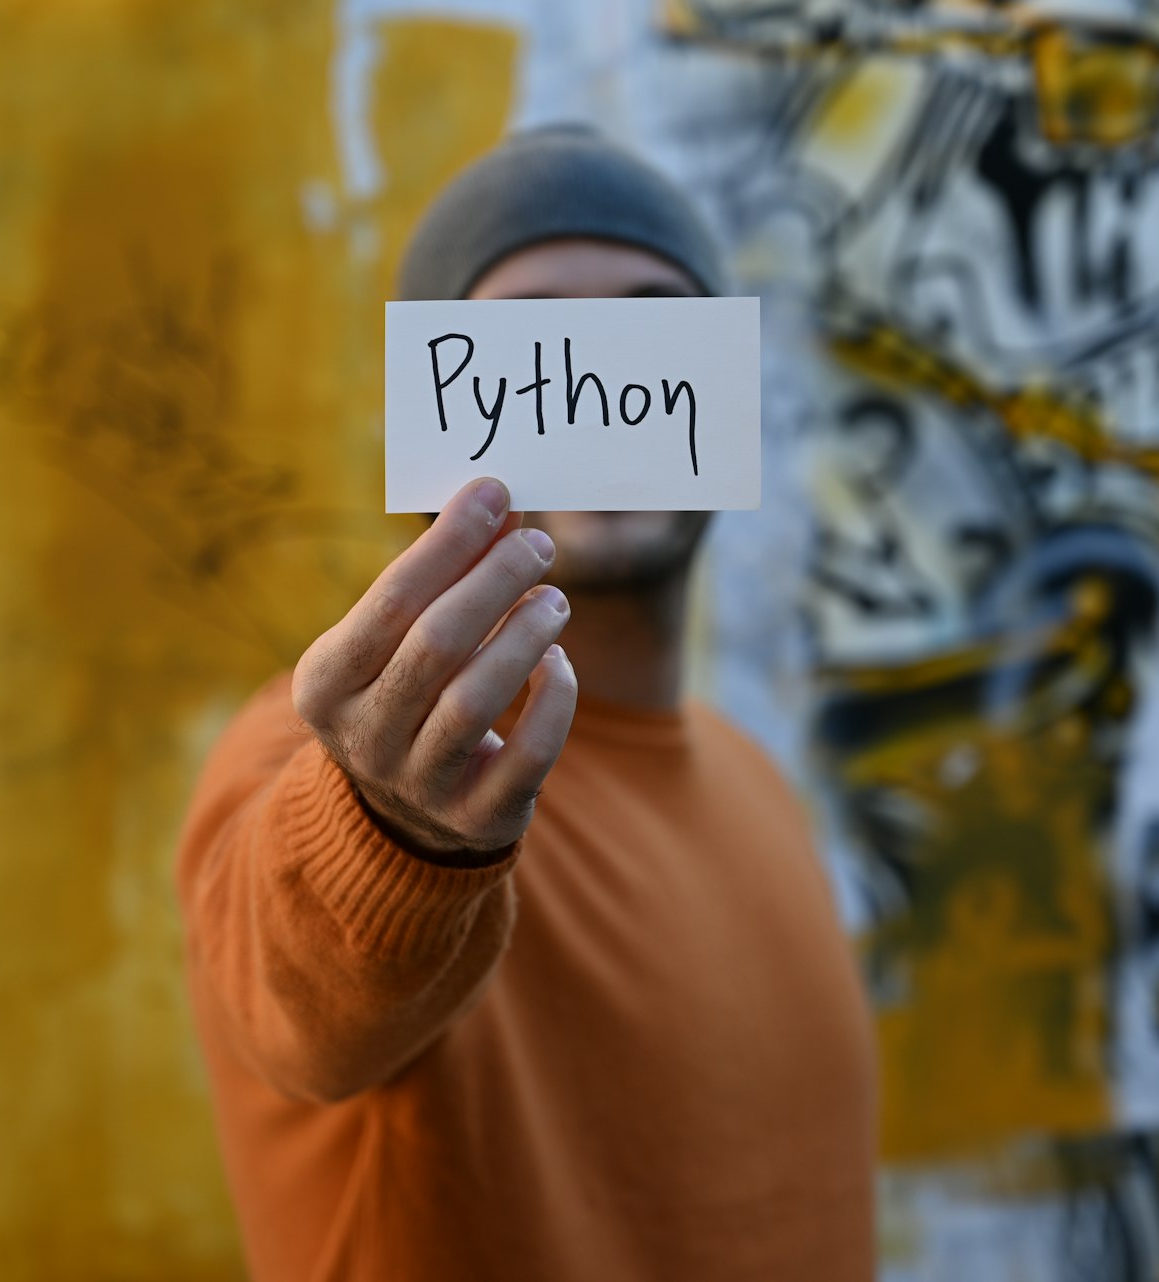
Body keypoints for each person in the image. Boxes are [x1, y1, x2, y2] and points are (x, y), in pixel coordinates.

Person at [174, 126, 876, 1281]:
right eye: (528, 340)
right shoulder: (346, 760)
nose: (595, 378)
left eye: (655, 326)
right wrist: (394, 836)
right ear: (435, 419)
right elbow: (287, 979)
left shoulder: (753, 781)